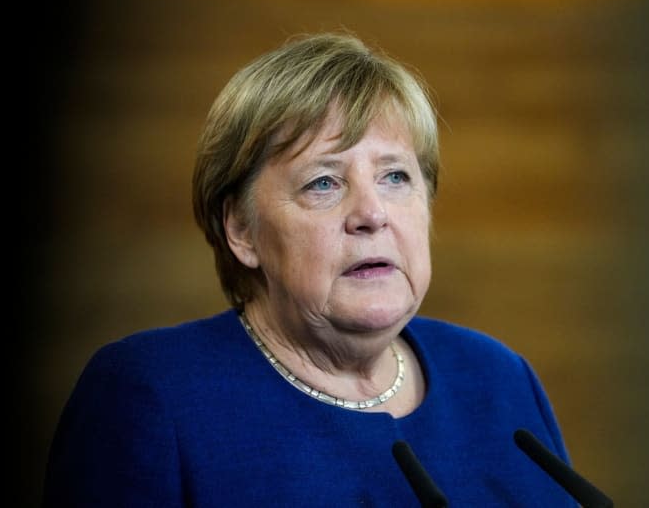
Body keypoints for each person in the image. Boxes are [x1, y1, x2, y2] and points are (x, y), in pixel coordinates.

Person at [43, 32, 576, 507]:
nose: (371, 214)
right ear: (242, 231)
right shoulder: (151, 397)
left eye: (395, 177)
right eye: (324, 182)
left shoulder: (498, 376)